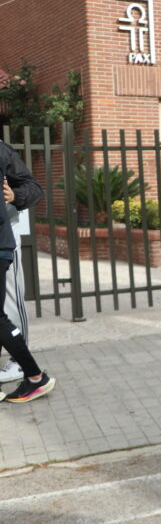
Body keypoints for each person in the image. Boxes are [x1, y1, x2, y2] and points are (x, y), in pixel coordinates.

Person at [0, 142, 51, 403]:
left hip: (5, 237)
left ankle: (20, 363)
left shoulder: (1, 150)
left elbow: (33, 188)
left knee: (11, 301)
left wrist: (14, 197)